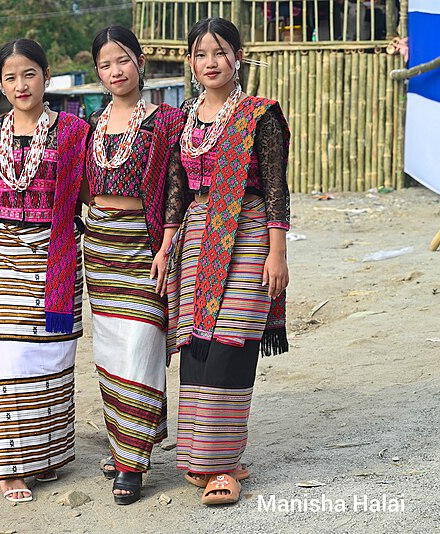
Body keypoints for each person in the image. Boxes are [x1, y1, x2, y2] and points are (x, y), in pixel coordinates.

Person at [166, 17, 291, 506]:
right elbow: (177, 189)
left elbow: (278, 187)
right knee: (197, 342)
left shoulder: (261, 115)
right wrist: (167, 246)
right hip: (198, 236)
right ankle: (207, 456)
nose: (210, 63)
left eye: (219, 52)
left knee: (231, 340)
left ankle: (223, 466)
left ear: (238, 57)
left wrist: (277, 254)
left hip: (247, 231)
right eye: (200, 54)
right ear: (192, 64)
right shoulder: (186, 118)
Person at [0, 38, 89, 503]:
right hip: (6, 251)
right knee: (13, 359)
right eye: (10, 76)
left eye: (29, 73)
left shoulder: (73, 130)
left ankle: (47, 455)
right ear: (1, 84)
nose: (20, 84)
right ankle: (12, 466)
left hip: (58, 251)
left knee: (54, 355)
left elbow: (89, 188)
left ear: (46, 75)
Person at [83, 25, 185, 505]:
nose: (114, 71)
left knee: (142, 345)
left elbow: (173, 186)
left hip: (144, 245)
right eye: (105, 64)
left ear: (140, 63)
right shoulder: (90, 124)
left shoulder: (166, 121)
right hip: (100, 247)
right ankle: (126, 444)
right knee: (110, 354)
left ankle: (132, 463)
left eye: (122, 60)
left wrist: (166, 246)